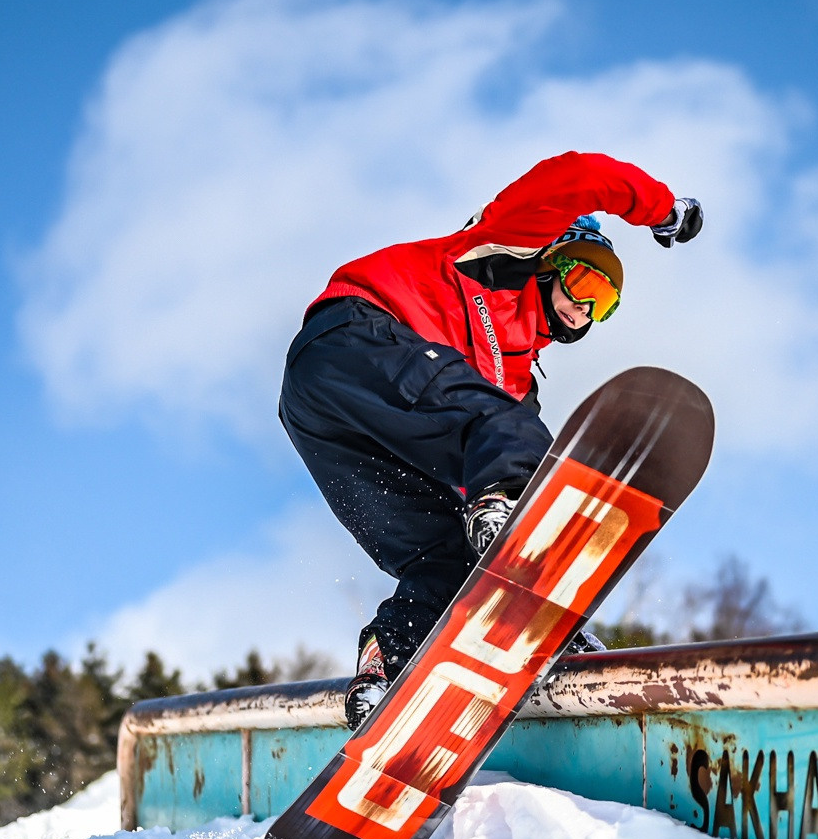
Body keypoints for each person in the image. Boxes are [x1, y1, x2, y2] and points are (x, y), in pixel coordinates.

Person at [279, 151, 704, 726]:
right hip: (356, 338)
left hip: (330, 426)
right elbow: (581, 177)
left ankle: (387, 667)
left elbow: (477, 452)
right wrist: (662, 209)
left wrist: (540, 615)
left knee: (446, 558)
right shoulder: (501, 250)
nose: (583, 308)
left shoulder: (514, 379)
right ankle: (506, 520)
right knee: (517, 438)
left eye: (602, 305)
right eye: (583, 281)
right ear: (552, 258)